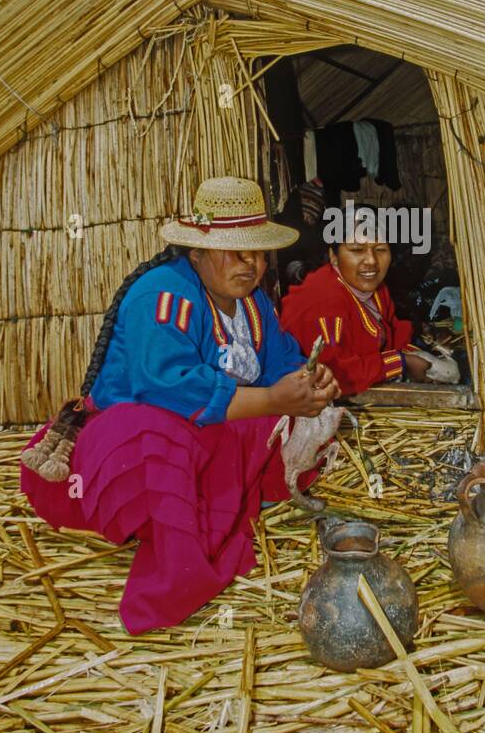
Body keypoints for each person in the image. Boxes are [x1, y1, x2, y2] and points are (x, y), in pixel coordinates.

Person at [20, 177, 340, 634]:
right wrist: (271, 399)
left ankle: (226, 492)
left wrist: (310, 382)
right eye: (236, 252)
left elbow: (283, 363)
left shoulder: (253, 305)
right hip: (129, 441)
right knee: (157, 434)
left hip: (207, 434)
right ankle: (177, 550)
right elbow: (167, 388)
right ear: (198, 252)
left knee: (302, 424)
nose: (251, 265)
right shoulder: (163, 296)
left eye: (258, 252)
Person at [280, 204, 432, 394]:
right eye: (357, 250)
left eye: (380, 249)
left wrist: (420, 353)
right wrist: (401, 362)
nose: (371, 261)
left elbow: (392, 332)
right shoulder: (322, 301)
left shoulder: (376, 290)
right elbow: (332, 374)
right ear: (333, 256)